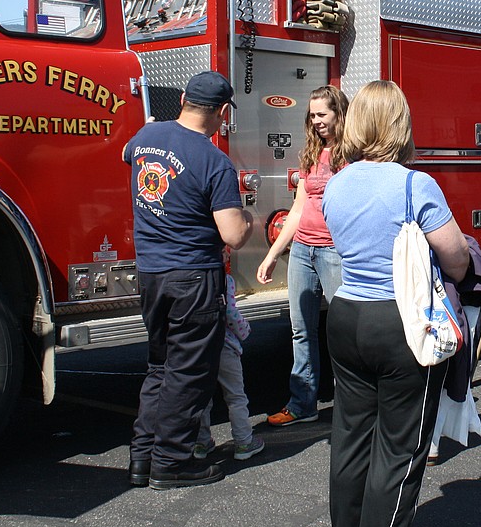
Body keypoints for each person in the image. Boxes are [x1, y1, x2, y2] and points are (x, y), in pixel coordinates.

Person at [321, 80, 469, 527]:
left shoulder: (337, 182)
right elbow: (457, 258)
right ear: (400, 124)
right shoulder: (414, 184)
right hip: (399, 321)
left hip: (345, 317)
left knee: (351, 438)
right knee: (400, 446)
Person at [124, 70, 253, 490]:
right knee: (187, 373)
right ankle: (171, 462)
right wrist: (248, 219)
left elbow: (127, 154)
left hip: (151, 274)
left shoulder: (144, 139)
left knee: (159, 366)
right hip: (193, 277)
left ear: (182, 98)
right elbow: (232, 233)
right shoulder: (214, 160)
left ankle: (142, 457)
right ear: (220, 112)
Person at [257, 85, 349, 426]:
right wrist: (272, 254)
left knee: (342, 332)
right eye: (312, 115)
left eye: (322, 114)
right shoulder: (311, 153)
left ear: (340, 114)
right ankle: (302, 405)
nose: (316, 121)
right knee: (301, 330)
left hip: (334, 252)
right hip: (302, 251)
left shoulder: (352, 154)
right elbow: (298, 209)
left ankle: (350, 406)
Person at [194, 274, 265, 462]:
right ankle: (243, 442)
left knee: (202, 397)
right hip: (224, 345)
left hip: (198, 346)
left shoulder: (191, 277)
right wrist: (245, 330)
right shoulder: (225, 280)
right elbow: (230, 313)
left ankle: (201, 442)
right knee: (235, 396)